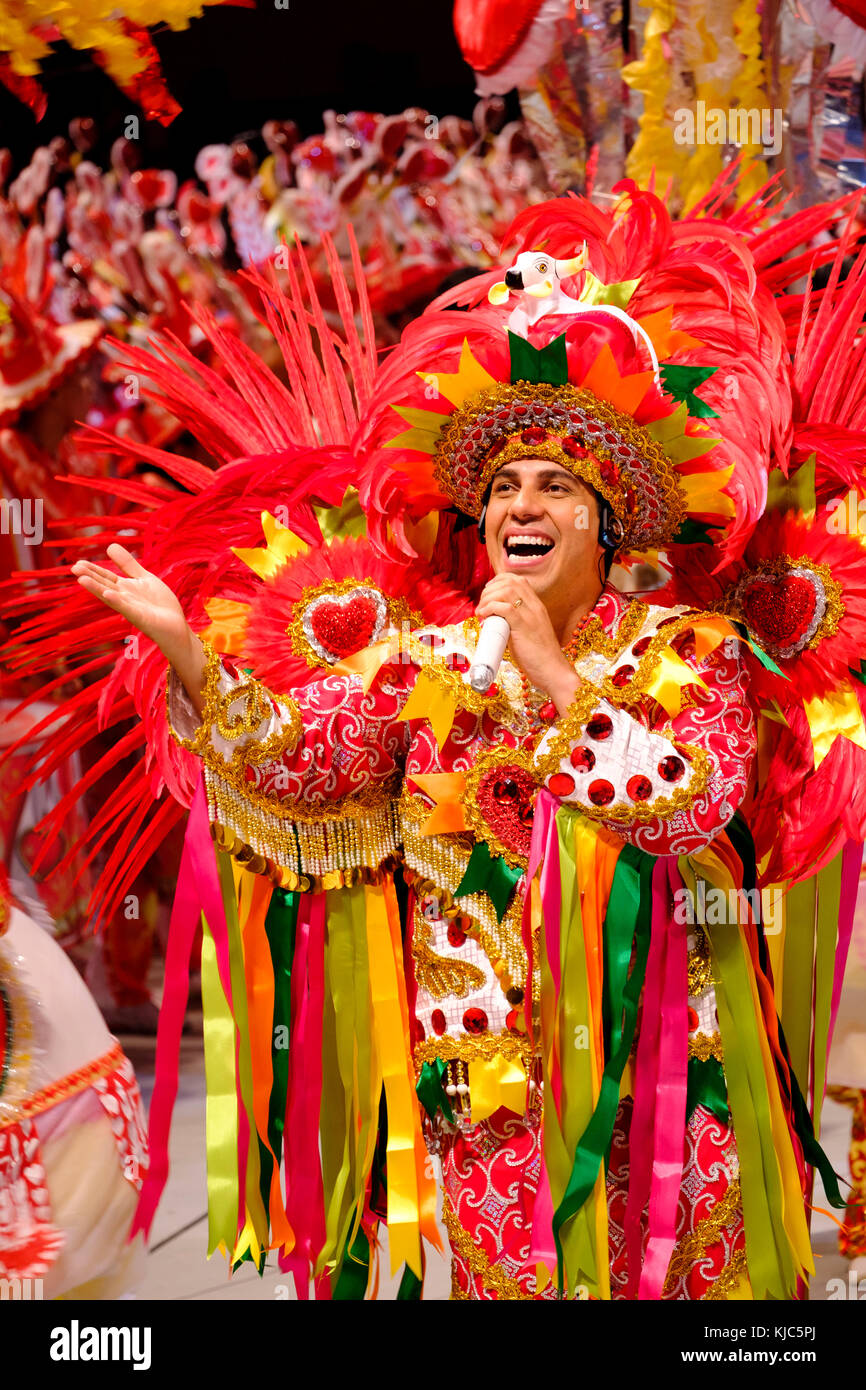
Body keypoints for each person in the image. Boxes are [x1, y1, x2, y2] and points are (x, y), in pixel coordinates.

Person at [55, 185, 865, 1299]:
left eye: (552, 486)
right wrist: (189, 657)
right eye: (500, 490)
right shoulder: (433, 663)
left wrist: (550, 675)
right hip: (484, 1081)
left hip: (665, 1086)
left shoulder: (689, 648)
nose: (519, 506)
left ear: (610, 517)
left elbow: (690, 799)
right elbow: (308, 766)